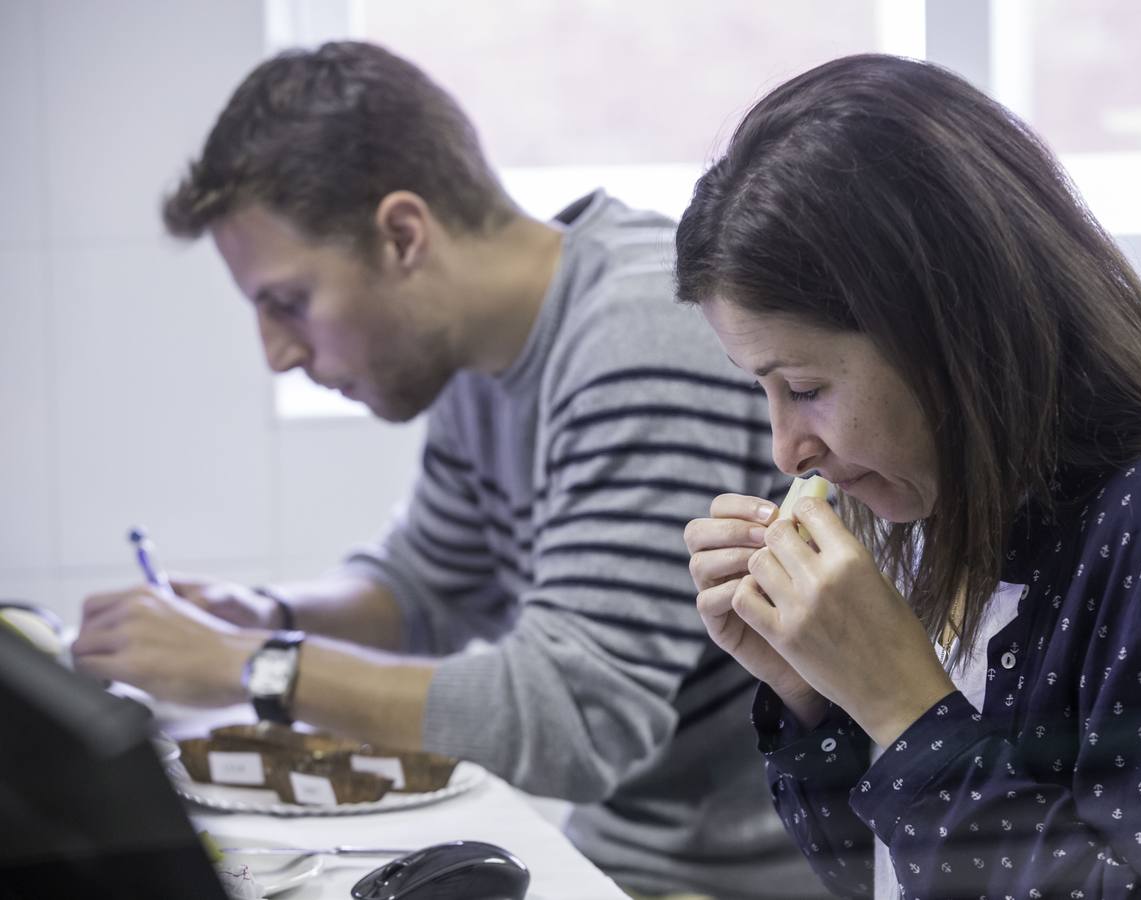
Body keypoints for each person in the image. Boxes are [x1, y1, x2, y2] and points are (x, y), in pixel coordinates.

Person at [71, 40, 826, 900]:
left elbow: (574, 717)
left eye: (289, 303)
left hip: (738, 879)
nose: (278, 353)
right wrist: (270, 614)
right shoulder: (482, 353)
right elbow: (427, 584)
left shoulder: (639, 332)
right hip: (625, 852)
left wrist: (252, 665)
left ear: (402, 235)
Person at [678, 54, 1141, 899]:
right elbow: (876, 874)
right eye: (763, 390)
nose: (787, 450)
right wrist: (815, 694)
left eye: (805, 389)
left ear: (947, 335)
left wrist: (902, 708)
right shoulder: (931, 505)